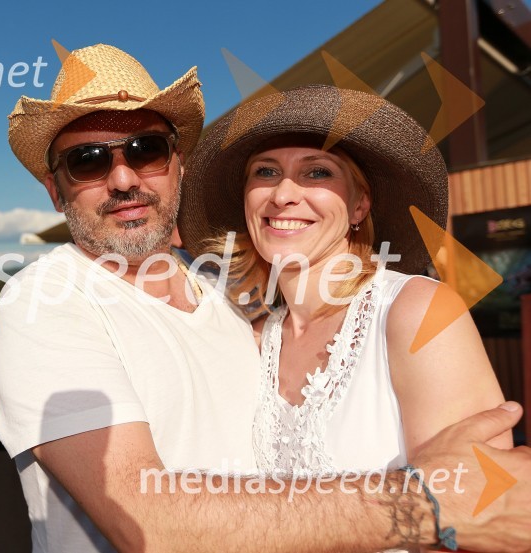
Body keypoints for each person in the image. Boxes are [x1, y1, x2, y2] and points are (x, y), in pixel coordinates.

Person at [0, 44, 531, 553]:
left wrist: (454, 505)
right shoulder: (43, 301)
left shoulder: (236, 311)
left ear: (179, 166)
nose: (123, 176)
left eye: (145, 150)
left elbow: (497, 510)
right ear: (56, 190)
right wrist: (422, 503)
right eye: (87, 161)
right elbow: (144, 520)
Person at [176, 84, 512, 481]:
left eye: (317, 172)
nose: (283, 194)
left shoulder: (415, 310)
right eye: (265, 171)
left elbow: (481, 505)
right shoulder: (254, 341)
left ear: (359, 205)